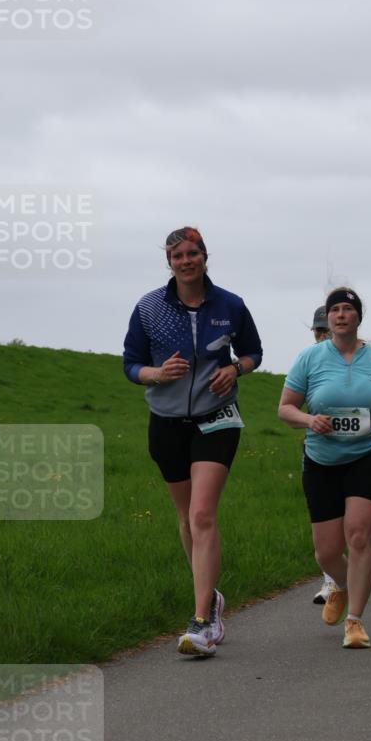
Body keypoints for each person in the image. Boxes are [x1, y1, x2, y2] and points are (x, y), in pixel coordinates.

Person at [123, 225, 263, 657]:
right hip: (166, 422)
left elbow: (254, 352)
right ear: (169, 262)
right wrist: (156, 374)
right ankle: (210, 596)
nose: (186, 261)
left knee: (202, 514)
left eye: (192, 253)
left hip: (216, 418)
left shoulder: (230, 305)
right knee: (185, 518)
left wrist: (235, 369)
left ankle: (202, 621)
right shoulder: (150, 307)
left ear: (205, 257)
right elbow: (131, 364)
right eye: (177, 256)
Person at [278, 288, 371, 649]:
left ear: (357, 317)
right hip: (321, 460)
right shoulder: (309, 358)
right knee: (325, 551)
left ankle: (354, 621)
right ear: (329, 318)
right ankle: (343, 584)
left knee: (358, 536)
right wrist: (309, 420)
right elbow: (285, 408)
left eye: (347, 309)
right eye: (334, 309)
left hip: (369, 455)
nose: (340, 315)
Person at [310, 305, 341, 606]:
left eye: (326, 331)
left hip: (358, 452)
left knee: (353, 523)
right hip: (319, 450)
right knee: (324, 518)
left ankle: (355, 571)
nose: (322, 337)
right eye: (319, 331)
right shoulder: (309, 361)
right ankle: (331, 581)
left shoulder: (360, 359)